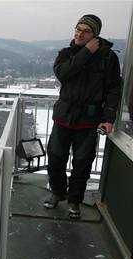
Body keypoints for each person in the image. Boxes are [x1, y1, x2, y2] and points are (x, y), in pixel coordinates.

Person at [45, 14, 122, 219]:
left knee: (82, 162)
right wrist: (86, 53)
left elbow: (114, 89)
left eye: (85, 31)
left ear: (95, 35)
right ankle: (57, 193)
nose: (79, 33)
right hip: (63, 116)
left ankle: (74, 201)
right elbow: (63, 74)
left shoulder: (108, 58)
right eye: (77, 29)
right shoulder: (67, 54)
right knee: (55, 158)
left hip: (88, 119)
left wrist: (108, 118)